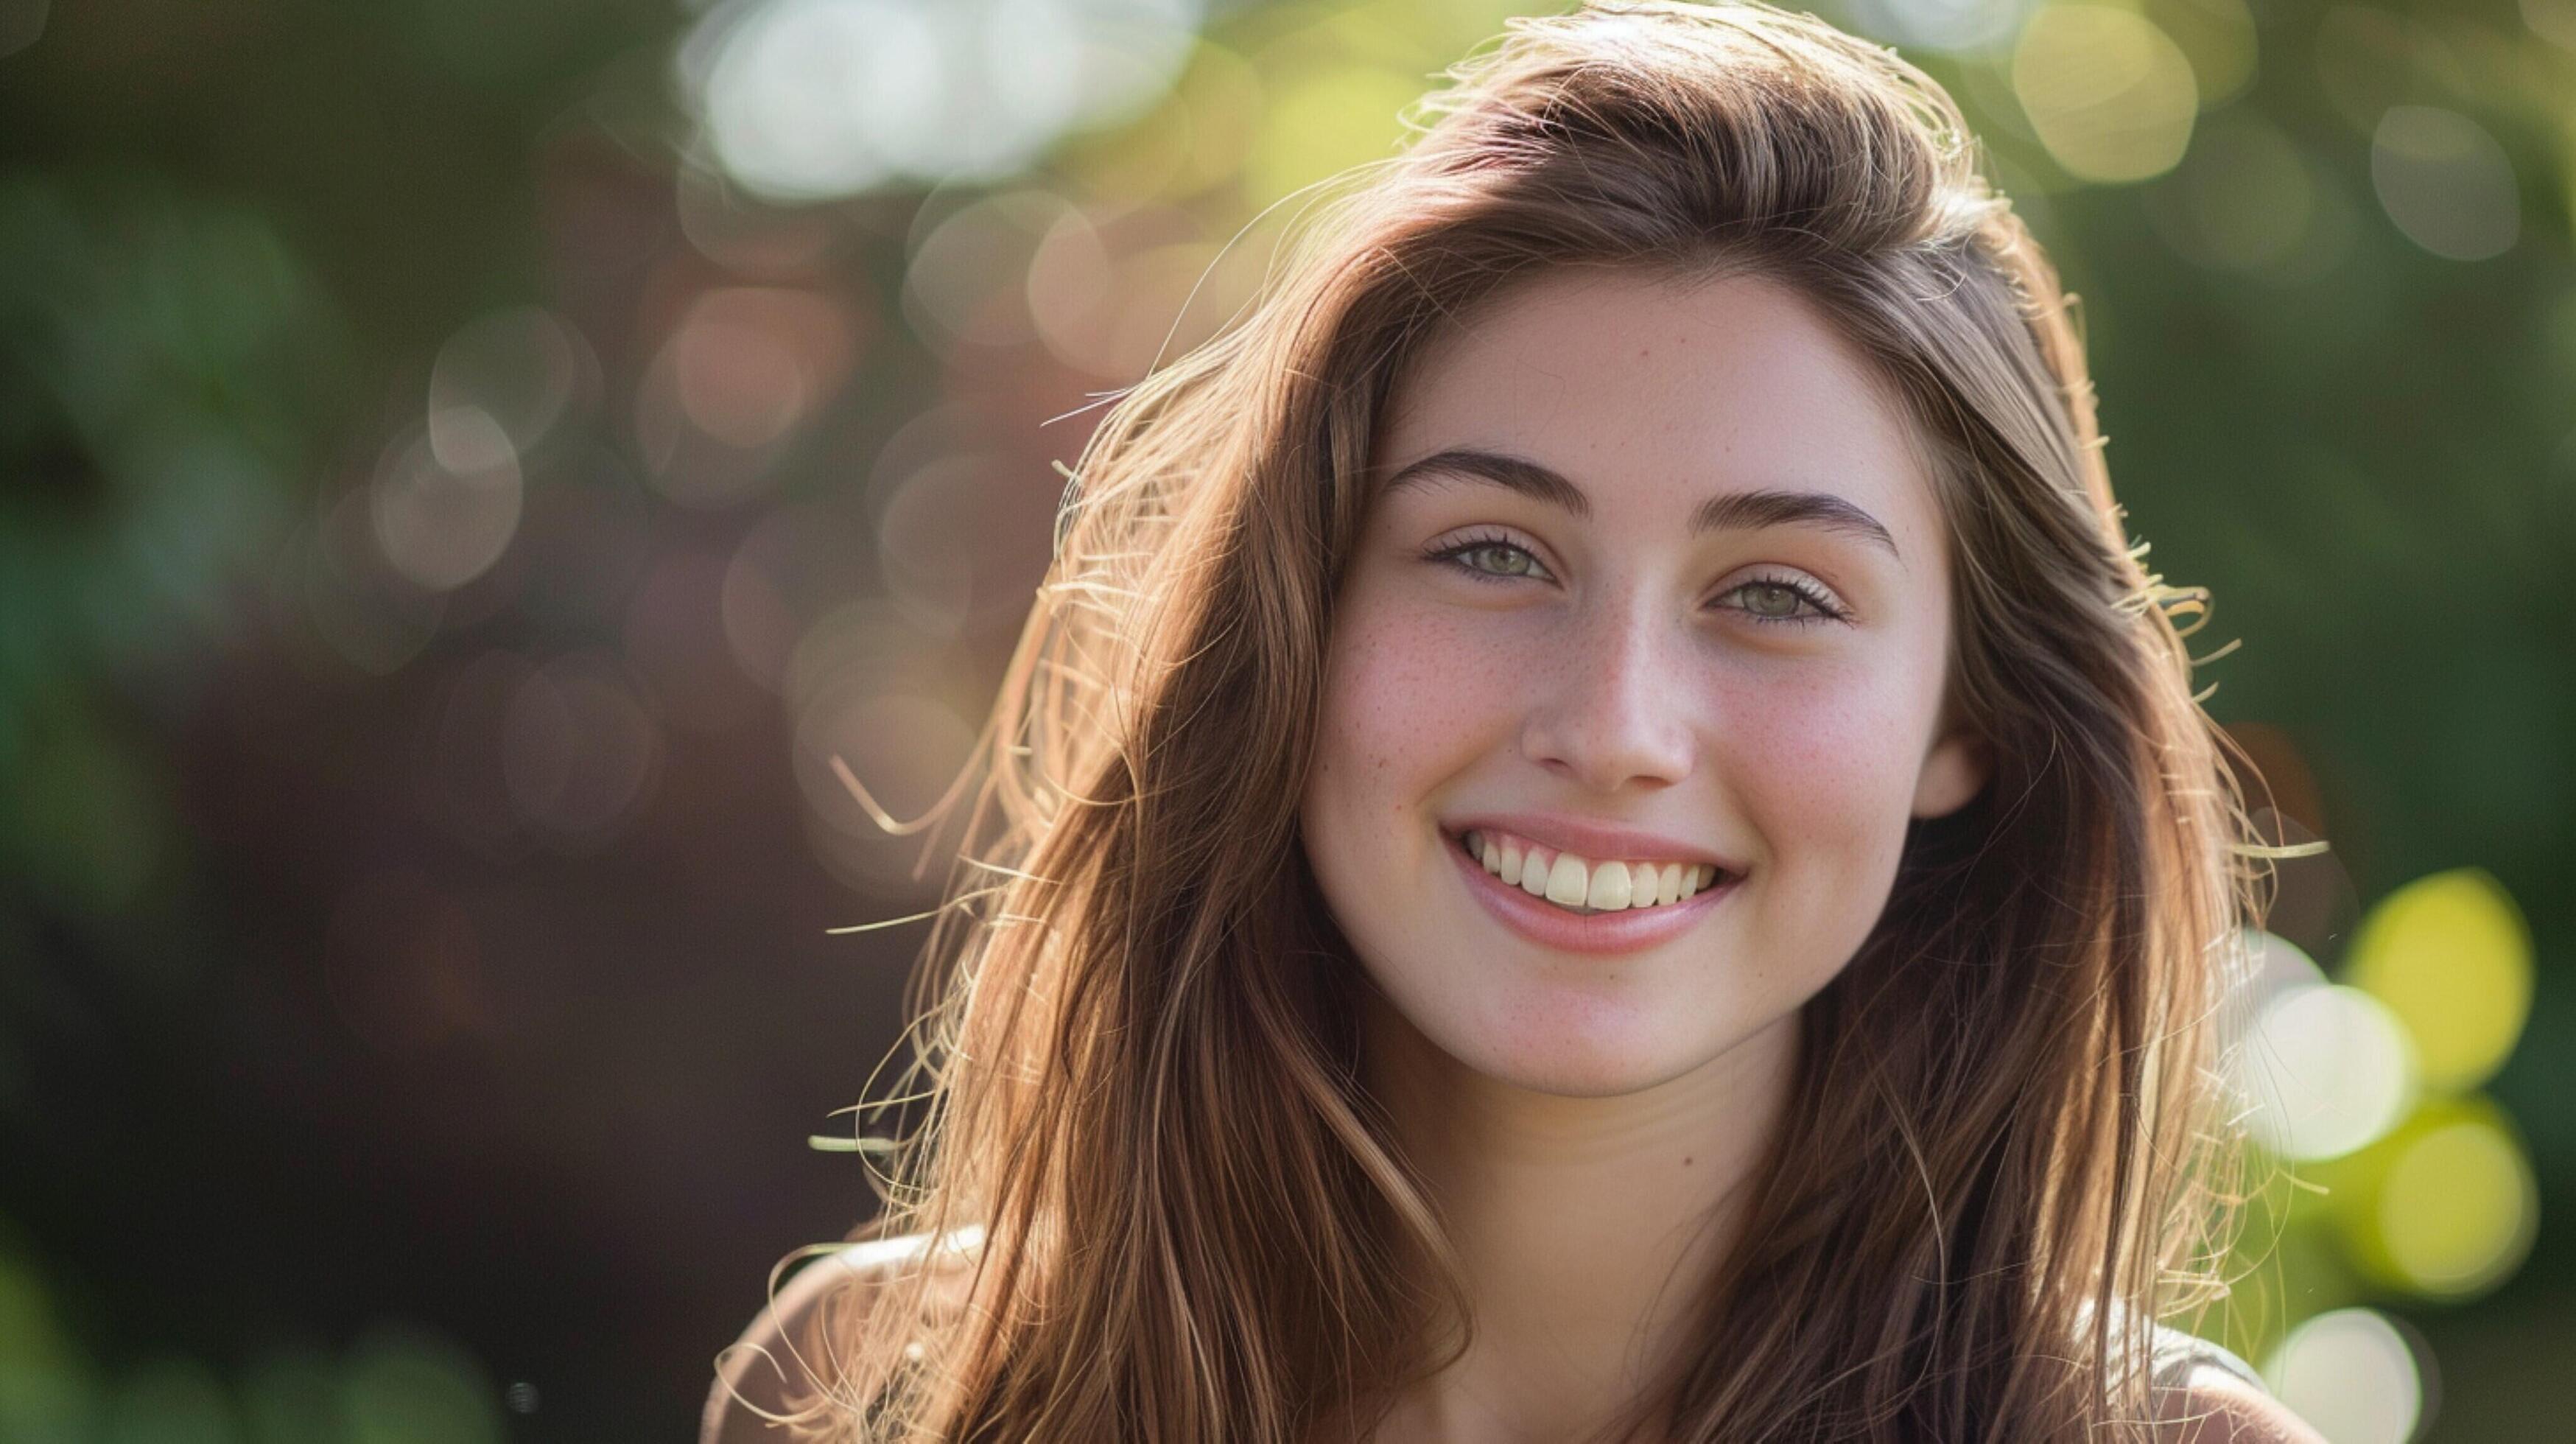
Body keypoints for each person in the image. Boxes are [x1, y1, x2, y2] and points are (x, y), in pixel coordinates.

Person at [706, 2, 2329, 1439]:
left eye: (1777, 593)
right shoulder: (891, 1390)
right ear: (1304, 629)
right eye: (1492, 551)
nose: (1615, 723)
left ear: (1964, 722)